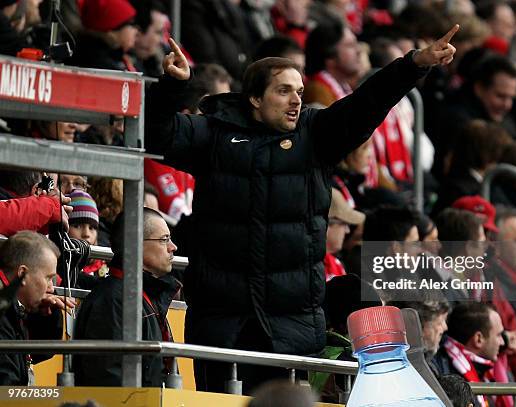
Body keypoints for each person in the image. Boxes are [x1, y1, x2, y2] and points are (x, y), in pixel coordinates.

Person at [145, 27, 458, 392]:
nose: (296, 100)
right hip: (222, 326)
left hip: (289, 331)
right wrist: (170, 87)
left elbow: (368, 102)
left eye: (299, 91)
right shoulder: (214, 134)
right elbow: (156, 134)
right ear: (255, 99)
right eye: (283, 90)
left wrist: (414, 63)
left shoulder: (316, 136)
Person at [72, 208, 181, 387]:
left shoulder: (142, 296)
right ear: (135, 244)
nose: (173, 247)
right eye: (164, 240)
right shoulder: (113, 300)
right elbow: (108, 380)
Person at [0, 231, 74, 385]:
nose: (51, 288)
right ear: (23, 274)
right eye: (48, 278)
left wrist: (44, 316)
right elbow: (6, 385)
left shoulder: (12, 306)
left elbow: (35, 355)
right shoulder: (3, 311)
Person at [432, 303, 507, 407]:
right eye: (498, 335)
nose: (502, 342)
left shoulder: (484, 371)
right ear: (478, 339)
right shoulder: (443, 371)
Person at [325, 188, 365, 281]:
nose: (347, 231)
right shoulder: (304, 269)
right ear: (326, 225)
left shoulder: (334, 264)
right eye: (344, 223)